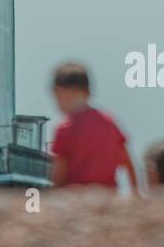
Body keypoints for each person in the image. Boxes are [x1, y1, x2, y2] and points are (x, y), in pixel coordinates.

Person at [49, 62, 138, 193]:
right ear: (88, 93)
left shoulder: (65, 129)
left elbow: (59, 176)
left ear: (58, 93)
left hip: (77, 198)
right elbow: (127, 161)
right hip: (109, 196)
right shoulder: (109, 122)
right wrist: (135, 193)